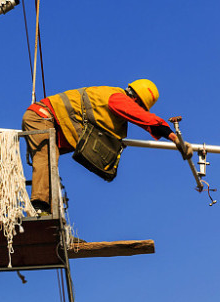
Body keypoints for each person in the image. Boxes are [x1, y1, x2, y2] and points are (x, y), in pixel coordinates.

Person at [21, 79, 193, 215]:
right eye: (139, 106)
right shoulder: (117, 98)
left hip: (55, 123)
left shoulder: (110, 100)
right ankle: (39, 206)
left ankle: (50, 212)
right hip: (41, 117)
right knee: (46, 158)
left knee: (51, 163)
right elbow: (142, 118)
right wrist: (174, 138)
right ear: (135, 100)